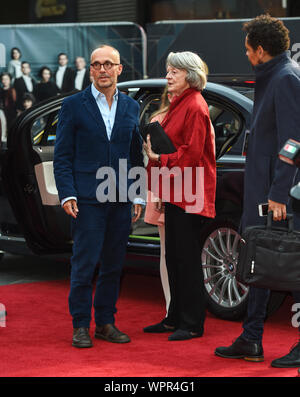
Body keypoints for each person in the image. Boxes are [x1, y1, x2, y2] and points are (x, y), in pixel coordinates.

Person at [215, 14, 300, 368]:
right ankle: (251, 339)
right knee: (259, 262)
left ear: (261, 50)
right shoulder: (273, 76)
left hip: (276, 198)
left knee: (292, 267)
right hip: (262, 194)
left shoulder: (285, 79)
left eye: (248, 50)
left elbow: (293, 143)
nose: (246, 54)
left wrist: (279, 193)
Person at [53, 44, 144, 348]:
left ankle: (105, 322)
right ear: (90, 70)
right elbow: (62, 155)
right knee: (84, 263)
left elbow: (134, 156)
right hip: (87, 200)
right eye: (96, 64)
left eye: (109, 64)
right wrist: (67, 194)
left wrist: (138, 195)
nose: (102, 70)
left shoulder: (132, 107)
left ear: (120, 69)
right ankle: (80, 325)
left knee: (114, 265)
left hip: (120, 198)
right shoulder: (73, 105)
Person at [143, 51, 216, 341]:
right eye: (168, 71)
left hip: (191, 192)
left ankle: (193, 323)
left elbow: (193, 153)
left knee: (185, 258)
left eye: (174, 71)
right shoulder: (180, 103)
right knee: (173, 256)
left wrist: (159, 158)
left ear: (189, 75)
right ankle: (174, 317)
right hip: (178, 190)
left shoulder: (195, 105)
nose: (168, 76)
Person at [143, 87, 172, 326]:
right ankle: (172, 306)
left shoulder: (193, 111)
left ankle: (173, 306)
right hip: (170, 189)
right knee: (169, 251)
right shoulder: (159, 119)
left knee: (169, 252)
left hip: (178, 188)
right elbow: (153, 160)